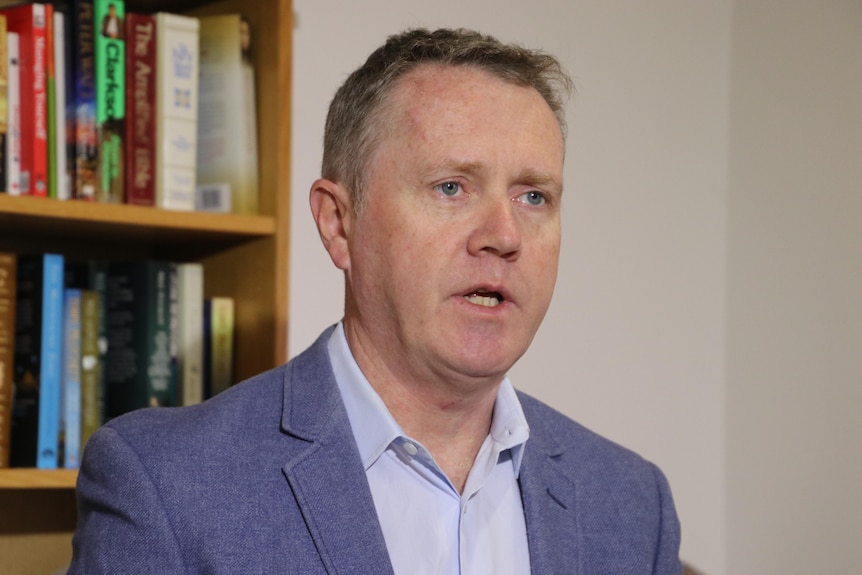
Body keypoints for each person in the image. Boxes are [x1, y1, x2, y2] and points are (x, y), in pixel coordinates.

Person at [68, 28, 682, 574]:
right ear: (338, 224)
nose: (504, 235)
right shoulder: (165, 483)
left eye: (534, 197)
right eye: (451, 187)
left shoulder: (632, 503)